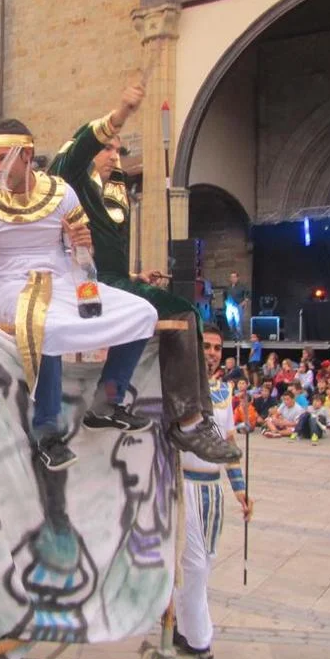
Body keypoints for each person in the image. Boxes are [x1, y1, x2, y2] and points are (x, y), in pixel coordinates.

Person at [0, 119, 210, 472]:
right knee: (46, 326)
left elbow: (81, 257)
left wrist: (83, 245)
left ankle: (107, 401)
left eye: (2, 158)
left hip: (63, 281)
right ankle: (47, 432)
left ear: (27, 155)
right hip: (8, 285)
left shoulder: (61, 193)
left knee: (143, 312)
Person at [47, 83, 239, 465]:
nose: (113, 155)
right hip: (86, 286)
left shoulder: (105, 194)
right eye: (107, 147)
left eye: (118, 150)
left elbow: (109, 253)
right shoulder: (70, 178)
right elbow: (79, 150)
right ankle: (188, 422)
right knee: (182, 311)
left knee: (163, 310)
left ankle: (112, 401)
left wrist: (136, 277)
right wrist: (121, 112)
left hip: (114, 281)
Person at [172, 325, 253, 659]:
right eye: (206, 346)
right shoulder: (178, 388)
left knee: (204, 564)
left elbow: (228, 444)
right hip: (183, 486)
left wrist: (240, 490)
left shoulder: (223, 392)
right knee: (193, 566)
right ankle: (202, 643)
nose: (212, 353)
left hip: (213, 490)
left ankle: (181, 627)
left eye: (217, 348)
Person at [224, 272, 249, 340]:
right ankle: (233, 337)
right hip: (229, 306)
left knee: (238, 322)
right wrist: (225, 302)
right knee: (230, 322)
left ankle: (239, 338)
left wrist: (245, 301)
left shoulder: (242, 286)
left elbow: (248, 293)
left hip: (238, 305)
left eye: (234, 277)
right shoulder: (228, 287)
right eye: (231, 277)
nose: (232, 278)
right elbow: (224, 295)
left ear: (237, 278)